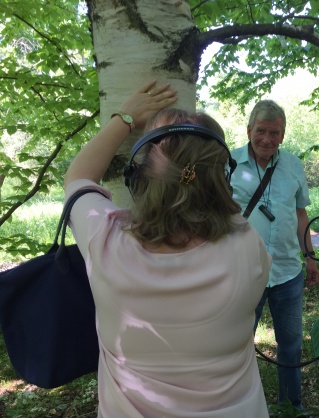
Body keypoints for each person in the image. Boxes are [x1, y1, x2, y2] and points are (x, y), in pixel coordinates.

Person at [64, 81, 271, 418]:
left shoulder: (104, 239)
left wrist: (126, 117)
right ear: (223, 179)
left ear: (139, 178)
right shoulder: (248, 246)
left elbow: (78, 176)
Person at [230, 99, 319, 412]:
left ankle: (290, 405)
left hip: (287, 272)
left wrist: (310, 257)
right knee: (237, 345)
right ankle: (239, 406)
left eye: (274, 132)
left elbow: (301, 214)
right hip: (242, 273)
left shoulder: (293, 164)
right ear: (249, 130)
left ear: (283, 135)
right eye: (261, 131)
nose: (267, 138)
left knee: (292, 345)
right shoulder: (227, 163)